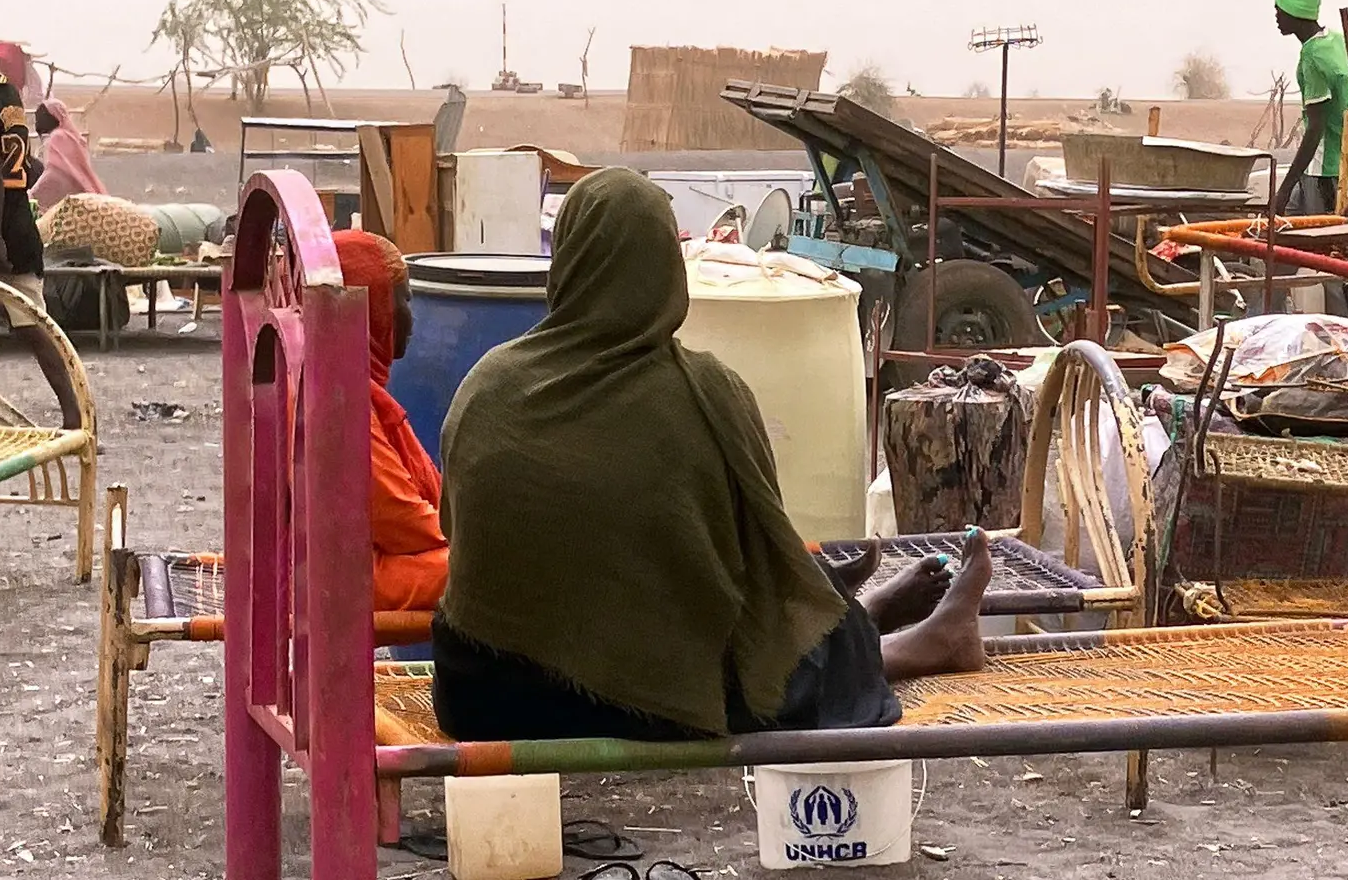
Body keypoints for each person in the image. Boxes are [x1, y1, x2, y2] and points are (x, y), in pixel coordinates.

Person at [431, 168, 994, 743]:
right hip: (630, 702)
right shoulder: (706, 391)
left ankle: (855, 615)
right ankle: (913, 643)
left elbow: (459, 529)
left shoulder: (488, 383)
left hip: (476, 690)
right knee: (776, 654)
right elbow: (752, 555)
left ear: (568, 260)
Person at [0, 13, 82, 430]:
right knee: (35, 327)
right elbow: (22, 164)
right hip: (16, 222)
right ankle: (75, 416)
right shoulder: (5, 90)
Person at [334, 229, 449, 612]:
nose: (412, 319)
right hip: (340, 576)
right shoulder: (340, 401)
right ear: (373, 310)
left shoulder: (339, 379)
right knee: (501, 573)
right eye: (405, 301)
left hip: (339, 561)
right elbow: (402, 524)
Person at [1270, 0, 1348, 317]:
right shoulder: (1336, 42)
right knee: (1277, 248)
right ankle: (1260, 324)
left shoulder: (1312, 56)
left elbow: (1314, 130)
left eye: (1280, 10)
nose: (1276, 17)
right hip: (1325, 169)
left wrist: (1282, 190)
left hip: (1323, 173)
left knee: (1333, 267)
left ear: (1296, 12)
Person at [28, 98, 106, 212]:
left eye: (40, 117)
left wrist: (33, 194)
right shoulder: (73, 137)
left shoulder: (57, 137)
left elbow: (55, 175)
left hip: (74, 202)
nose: (37, 122)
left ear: (52, 117)